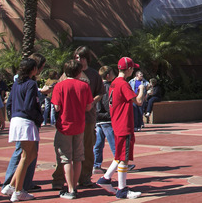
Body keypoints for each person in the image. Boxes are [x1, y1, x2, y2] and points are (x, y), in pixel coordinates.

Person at [51, 46, 105, 191]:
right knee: (64, 151)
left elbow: (100, 92)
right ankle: (59, 178)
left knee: (86, 149)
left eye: (81, 57)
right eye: (76, 57)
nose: (78, 60)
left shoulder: (93, 75)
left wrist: (92, 101)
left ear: (86, 58)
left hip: (87, 118)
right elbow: (59, 91)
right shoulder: (66, 75)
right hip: (67, 119)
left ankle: (85, 177)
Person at [96, 57, 145, 199]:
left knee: (119, 155)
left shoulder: (114, 83)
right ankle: (122, 189)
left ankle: (105, 178)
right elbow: (139, 101)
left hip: (117, 123)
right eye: (132, 68)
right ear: (128, 69)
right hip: (124, 124)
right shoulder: (123, 84)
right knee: (123, 157)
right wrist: (141, 89)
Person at [2, 54, 48, 199]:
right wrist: (38, 117)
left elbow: (9, 104)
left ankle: (12, 186)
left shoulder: (16, 83)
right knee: (25, 156)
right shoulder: (31, 84)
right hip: (25, 121)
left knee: (31, 154)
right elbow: (29, 105)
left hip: (17, 119)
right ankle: (17, 191)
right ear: (33, 69)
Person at [52, 59, 94, 199]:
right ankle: (74, 186)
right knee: (78, 157)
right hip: (79, 124)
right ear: (79, 71)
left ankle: (70, 188)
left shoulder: (60, 86)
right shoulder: (84, 86)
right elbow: (89, 106)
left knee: (66, 158)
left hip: (64, 125)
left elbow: (57, 107)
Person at [94, 66, 117, 173]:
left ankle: (96, 165)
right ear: (108, 75)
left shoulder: (97, 86)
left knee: (98, 143)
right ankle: (120, 162)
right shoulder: (108, 87)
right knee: (114, 142)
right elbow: (108, 103)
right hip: (107, 119)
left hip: (98, 119)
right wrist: (111, 114)